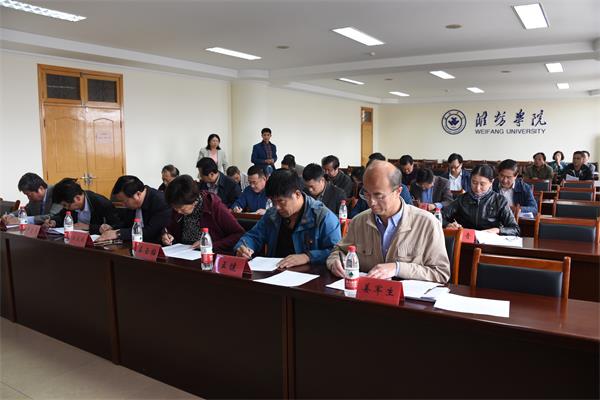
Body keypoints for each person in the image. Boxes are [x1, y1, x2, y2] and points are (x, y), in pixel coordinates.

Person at [326, 160, 450, 283]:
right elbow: (338, 251)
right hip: (366, 292)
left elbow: (441, 273)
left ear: (398, 192)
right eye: (366, 194)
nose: (371, 202)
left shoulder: (427, 223)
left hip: (407, 295)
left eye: (379, 195)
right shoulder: (359, 222)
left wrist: (398, 268)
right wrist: (334, 262)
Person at [234, 169, 341, 269]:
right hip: (274, 271)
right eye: (273, 201)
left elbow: (336, 252)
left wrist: (308, 257)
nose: (277, 207)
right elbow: (253, 236)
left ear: (297, 194)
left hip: (311, 275)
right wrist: (244, 247)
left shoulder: (323, 217)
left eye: (281, 201)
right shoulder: (272, 215)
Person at [161, 175, 244, 254]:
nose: (178, 212)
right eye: (175, 208)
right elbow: (169, 229)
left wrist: (210, 245)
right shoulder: (178, 206)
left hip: (209, 254)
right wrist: (166, 235)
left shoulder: (214, 207)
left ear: (194, 201)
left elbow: (238, 234)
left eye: (182, 209)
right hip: (183, 252)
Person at [442, 164, 520, 236]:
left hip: (489, 241)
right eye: (474, 182)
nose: (478, 188)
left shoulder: (499, 201)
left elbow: (515, 229)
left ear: (491, 182)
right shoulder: (461, 199)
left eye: (482, 184)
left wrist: (498, 230)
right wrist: (449, 225)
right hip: (465, 239)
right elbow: (440, 218)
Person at [97, 175, 171, 243]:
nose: (123, 204)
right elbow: (127, 224)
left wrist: (117, 233)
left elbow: (150, 232)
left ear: (138, 194)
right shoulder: (133, 202)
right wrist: (112, 228)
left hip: (157, 246)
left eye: (124, 201)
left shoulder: (161, 201)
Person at [52, 178, 121, 234]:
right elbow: (62, 217)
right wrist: (54, 221)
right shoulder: (70, 204)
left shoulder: (102, 203)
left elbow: (115, 226)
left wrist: (88, 227)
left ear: (77, 198)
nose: (66, 208)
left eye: (66, 205)